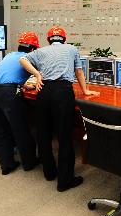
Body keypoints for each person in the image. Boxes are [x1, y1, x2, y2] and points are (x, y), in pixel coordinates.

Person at [20, 26, 99, 192]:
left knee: (43, 133)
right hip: (63, 92)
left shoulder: (41, 51)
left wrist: (38, 75)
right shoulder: (72, 49)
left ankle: (49, 173)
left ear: (48, 40)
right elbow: (78, 71)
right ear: (64, 39)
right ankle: (65, 181)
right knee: (64, 137)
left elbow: (23, 60)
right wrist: (85, 91)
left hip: (43, 91)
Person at [0, 32, 43, 176]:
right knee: (21, 129)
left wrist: (24, 86)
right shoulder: (29, 58)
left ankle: (7, 165)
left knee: (0, 131)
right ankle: (29, 163)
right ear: (33, 49)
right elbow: (43, 75)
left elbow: (11, 74)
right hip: (8, 94)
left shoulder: (10, 55)